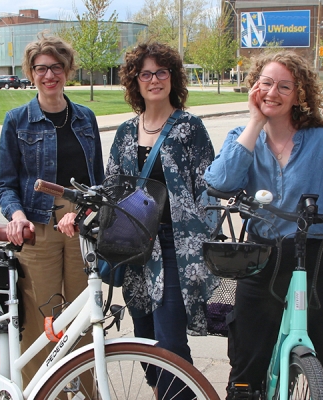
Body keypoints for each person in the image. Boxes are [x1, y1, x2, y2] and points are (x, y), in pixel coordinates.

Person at [204, 50, 323, 400]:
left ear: (299, 94)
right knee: (246, 372)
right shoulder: (242, 136)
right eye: (265, 83)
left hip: (316, 258)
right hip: (260, 259)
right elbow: (220, 181)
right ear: (253, 87)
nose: (272, 93)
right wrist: (254, 122)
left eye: (284, 86)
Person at [105, 41, 219, 397]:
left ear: (173, 77)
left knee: (170, 342)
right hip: (134, 248)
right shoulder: (125, 132)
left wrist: (200, 243)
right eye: (146, 74)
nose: (154, 80)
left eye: (162, 72)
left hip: (174, 247)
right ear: (135, 82)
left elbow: (208, 189)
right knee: (144, 340)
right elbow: (111, 187)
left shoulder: (189, 128)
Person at [0, 33, 104, 387]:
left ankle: (88, 392)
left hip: (81, 227)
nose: (49, 75)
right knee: (42, 320)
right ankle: (42, 393)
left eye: (57, 67)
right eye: (41, 68)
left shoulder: (86, 118)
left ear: (68, 70)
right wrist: (17, 216)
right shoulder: (17, 120)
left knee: (84, 319)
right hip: (37, 229)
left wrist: (88, 210)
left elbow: (98, 180)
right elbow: (5, 184)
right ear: (31, 73)